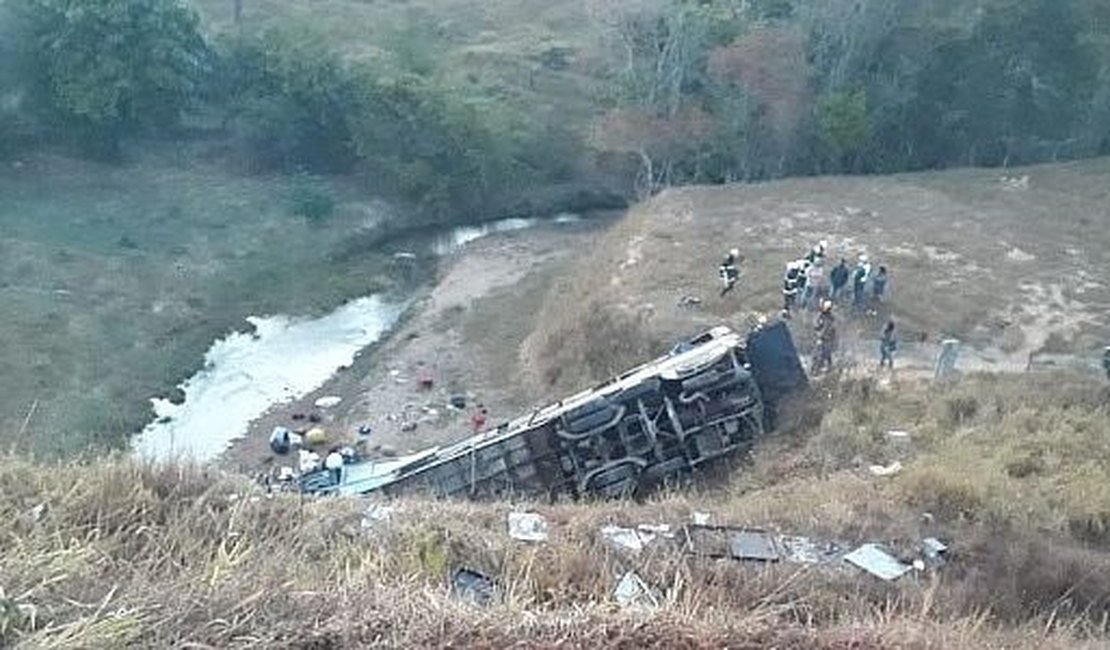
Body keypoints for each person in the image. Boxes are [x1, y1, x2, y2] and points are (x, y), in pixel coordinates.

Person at [813, 299, 837, 373]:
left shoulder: (831, 318)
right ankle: (815, 369)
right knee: (819, 355)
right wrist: (819, 337)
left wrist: (833, 338)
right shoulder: (820, 316)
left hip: (828, 339)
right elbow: (816, 326)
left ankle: (828, 368)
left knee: (827, 354)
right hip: (821, 339)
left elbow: (833, 329)